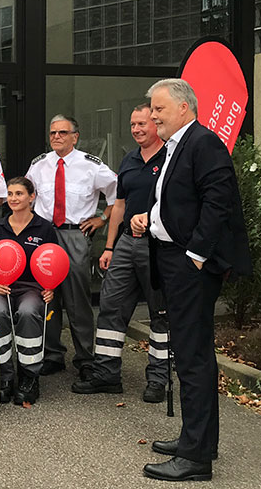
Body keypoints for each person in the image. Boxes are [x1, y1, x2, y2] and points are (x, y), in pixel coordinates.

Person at [130, 79, 250, 482]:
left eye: (159, 109)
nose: (153, 116)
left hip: (190, 266)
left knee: (194, 360)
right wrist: (153, 220)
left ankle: (196, 458)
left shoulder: (203, 143)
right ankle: (195, 440)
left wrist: (197, 255)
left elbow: (219, 201)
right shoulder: (175, 147)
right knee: (188, 354)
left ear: (183, 108)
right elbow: (180, 200)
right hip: (172, 258)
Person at [72, 104, 168, 402]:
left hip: (158, 244)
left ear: (156, 124)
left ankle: (158, 379)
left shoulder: (171, 158)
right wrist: (110, 246)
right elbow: (119, 206)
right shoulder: (129, 159)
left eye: (142, 124)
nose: (137, 129)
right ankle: (107, 374)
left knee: (160, 313)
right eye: (133, 125)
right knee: (111, 306)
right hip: (126, 242)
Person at [25, 114, 117, 380]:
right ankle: (52, 354)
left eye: (63, 133)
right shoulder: (39, 165)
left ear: (75, 136)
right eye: (53, 133)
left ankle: (85, 357)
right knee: (46, 294)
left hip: (74, 234)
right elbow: (28, 197)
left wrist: (102, 219)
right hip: (44, 235)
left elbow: (117, 194)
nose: (56, 137)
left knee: (77, 298)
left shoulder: (91, 166)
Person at [0, 177, 57, 405]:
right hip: (1, 287)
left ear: (31, 197)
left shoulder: (44, 228)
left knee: (27, 312)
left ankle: (29, 376)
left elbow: (53, 261)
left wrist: (50, 287)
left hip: (32, 288)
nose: (13, 198)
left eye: (19, 194)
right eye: (10, 194)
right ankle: (5, 377)